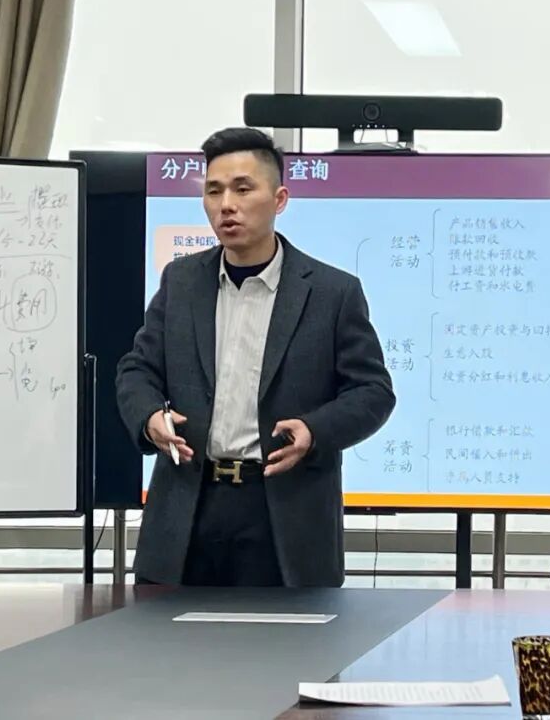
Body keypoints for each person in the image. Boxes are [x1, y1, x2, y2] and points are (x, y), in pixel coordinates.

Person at [116, 127, 395, 587]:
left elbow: (373, 392)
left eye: (243, 189)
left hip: (283, 515)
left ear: (279, 199)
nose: (226, 204)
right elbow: (137, 369)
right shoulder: (181, 282)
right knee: (167, 636)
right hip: (187, 509)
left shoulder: (332, 293)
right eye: (214, 191)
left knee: (285, 637)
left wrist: (315, 430)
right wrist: (149, 417)